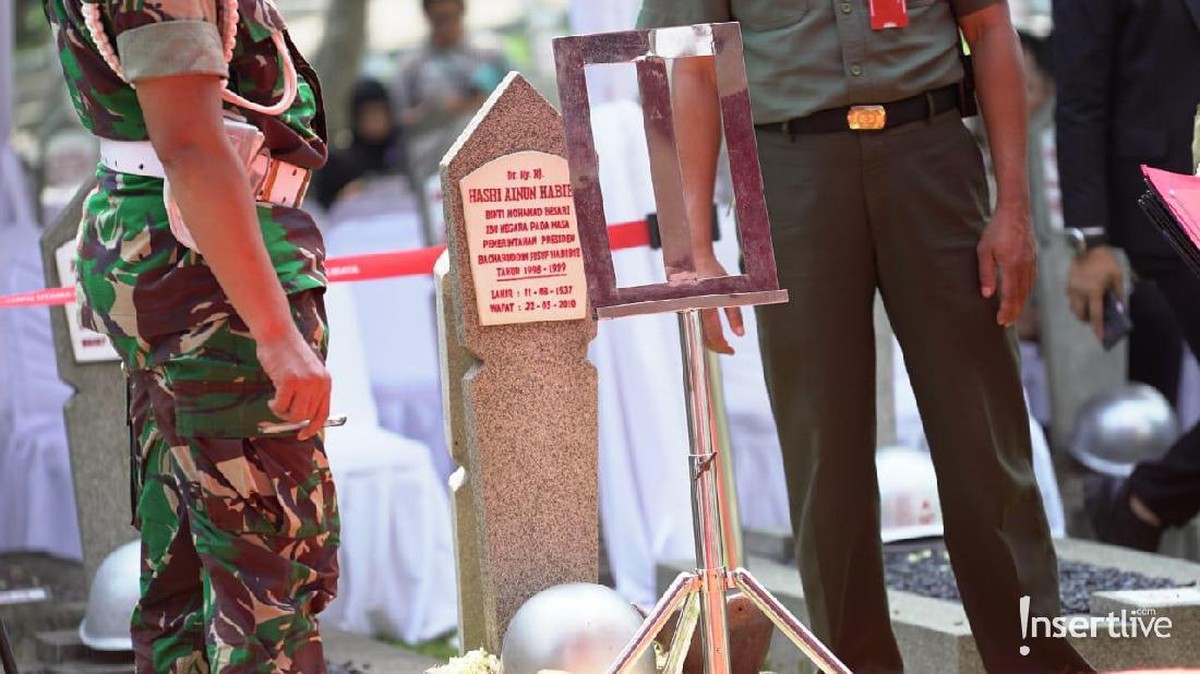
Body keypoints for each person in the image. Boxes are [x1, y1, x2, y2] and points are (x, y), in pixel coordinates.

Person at [636, 1, 1093, 672]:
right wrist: (695, 249)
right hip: (789, 175)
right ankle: (855, 664)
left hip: (931, 154)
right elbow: (692, 64)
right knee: (825, 451)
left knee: (984, 439)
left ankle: (1032, 660)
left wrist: (1014, 208)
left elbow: (992, 29)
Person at [42, 0, 339, 670]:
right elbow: (192, 145)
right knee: (266, 576)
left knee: (188, 565)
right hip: (208, 272)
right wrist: (275, 332)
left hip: (183, 255)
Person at [1055, 0, 1200, 553]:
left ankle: (1146, 501)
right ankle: (1146, 501)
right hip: (1163, 205)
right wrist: (1089, 241)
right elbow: (1081, 99)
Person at [393, 0, 508, 182]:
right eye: (439, 20)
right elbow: (399, 120)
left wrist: (478, 103)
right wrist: (433, 109)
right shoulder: (411, 65)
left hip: (492, 161)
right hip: (435, 166)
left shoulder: (490, 55)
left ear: (462, 9)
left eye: (450, 17)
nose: (446, 26)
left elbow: (521, 103)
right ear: (427, 14)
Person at [313, 78, 409, 211]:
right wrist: (341, 199)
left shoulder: (406, 153)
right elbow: (322, 209)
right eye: (368, 114)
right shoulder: (338, 163)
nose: (375, 120)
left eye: (379, 112)